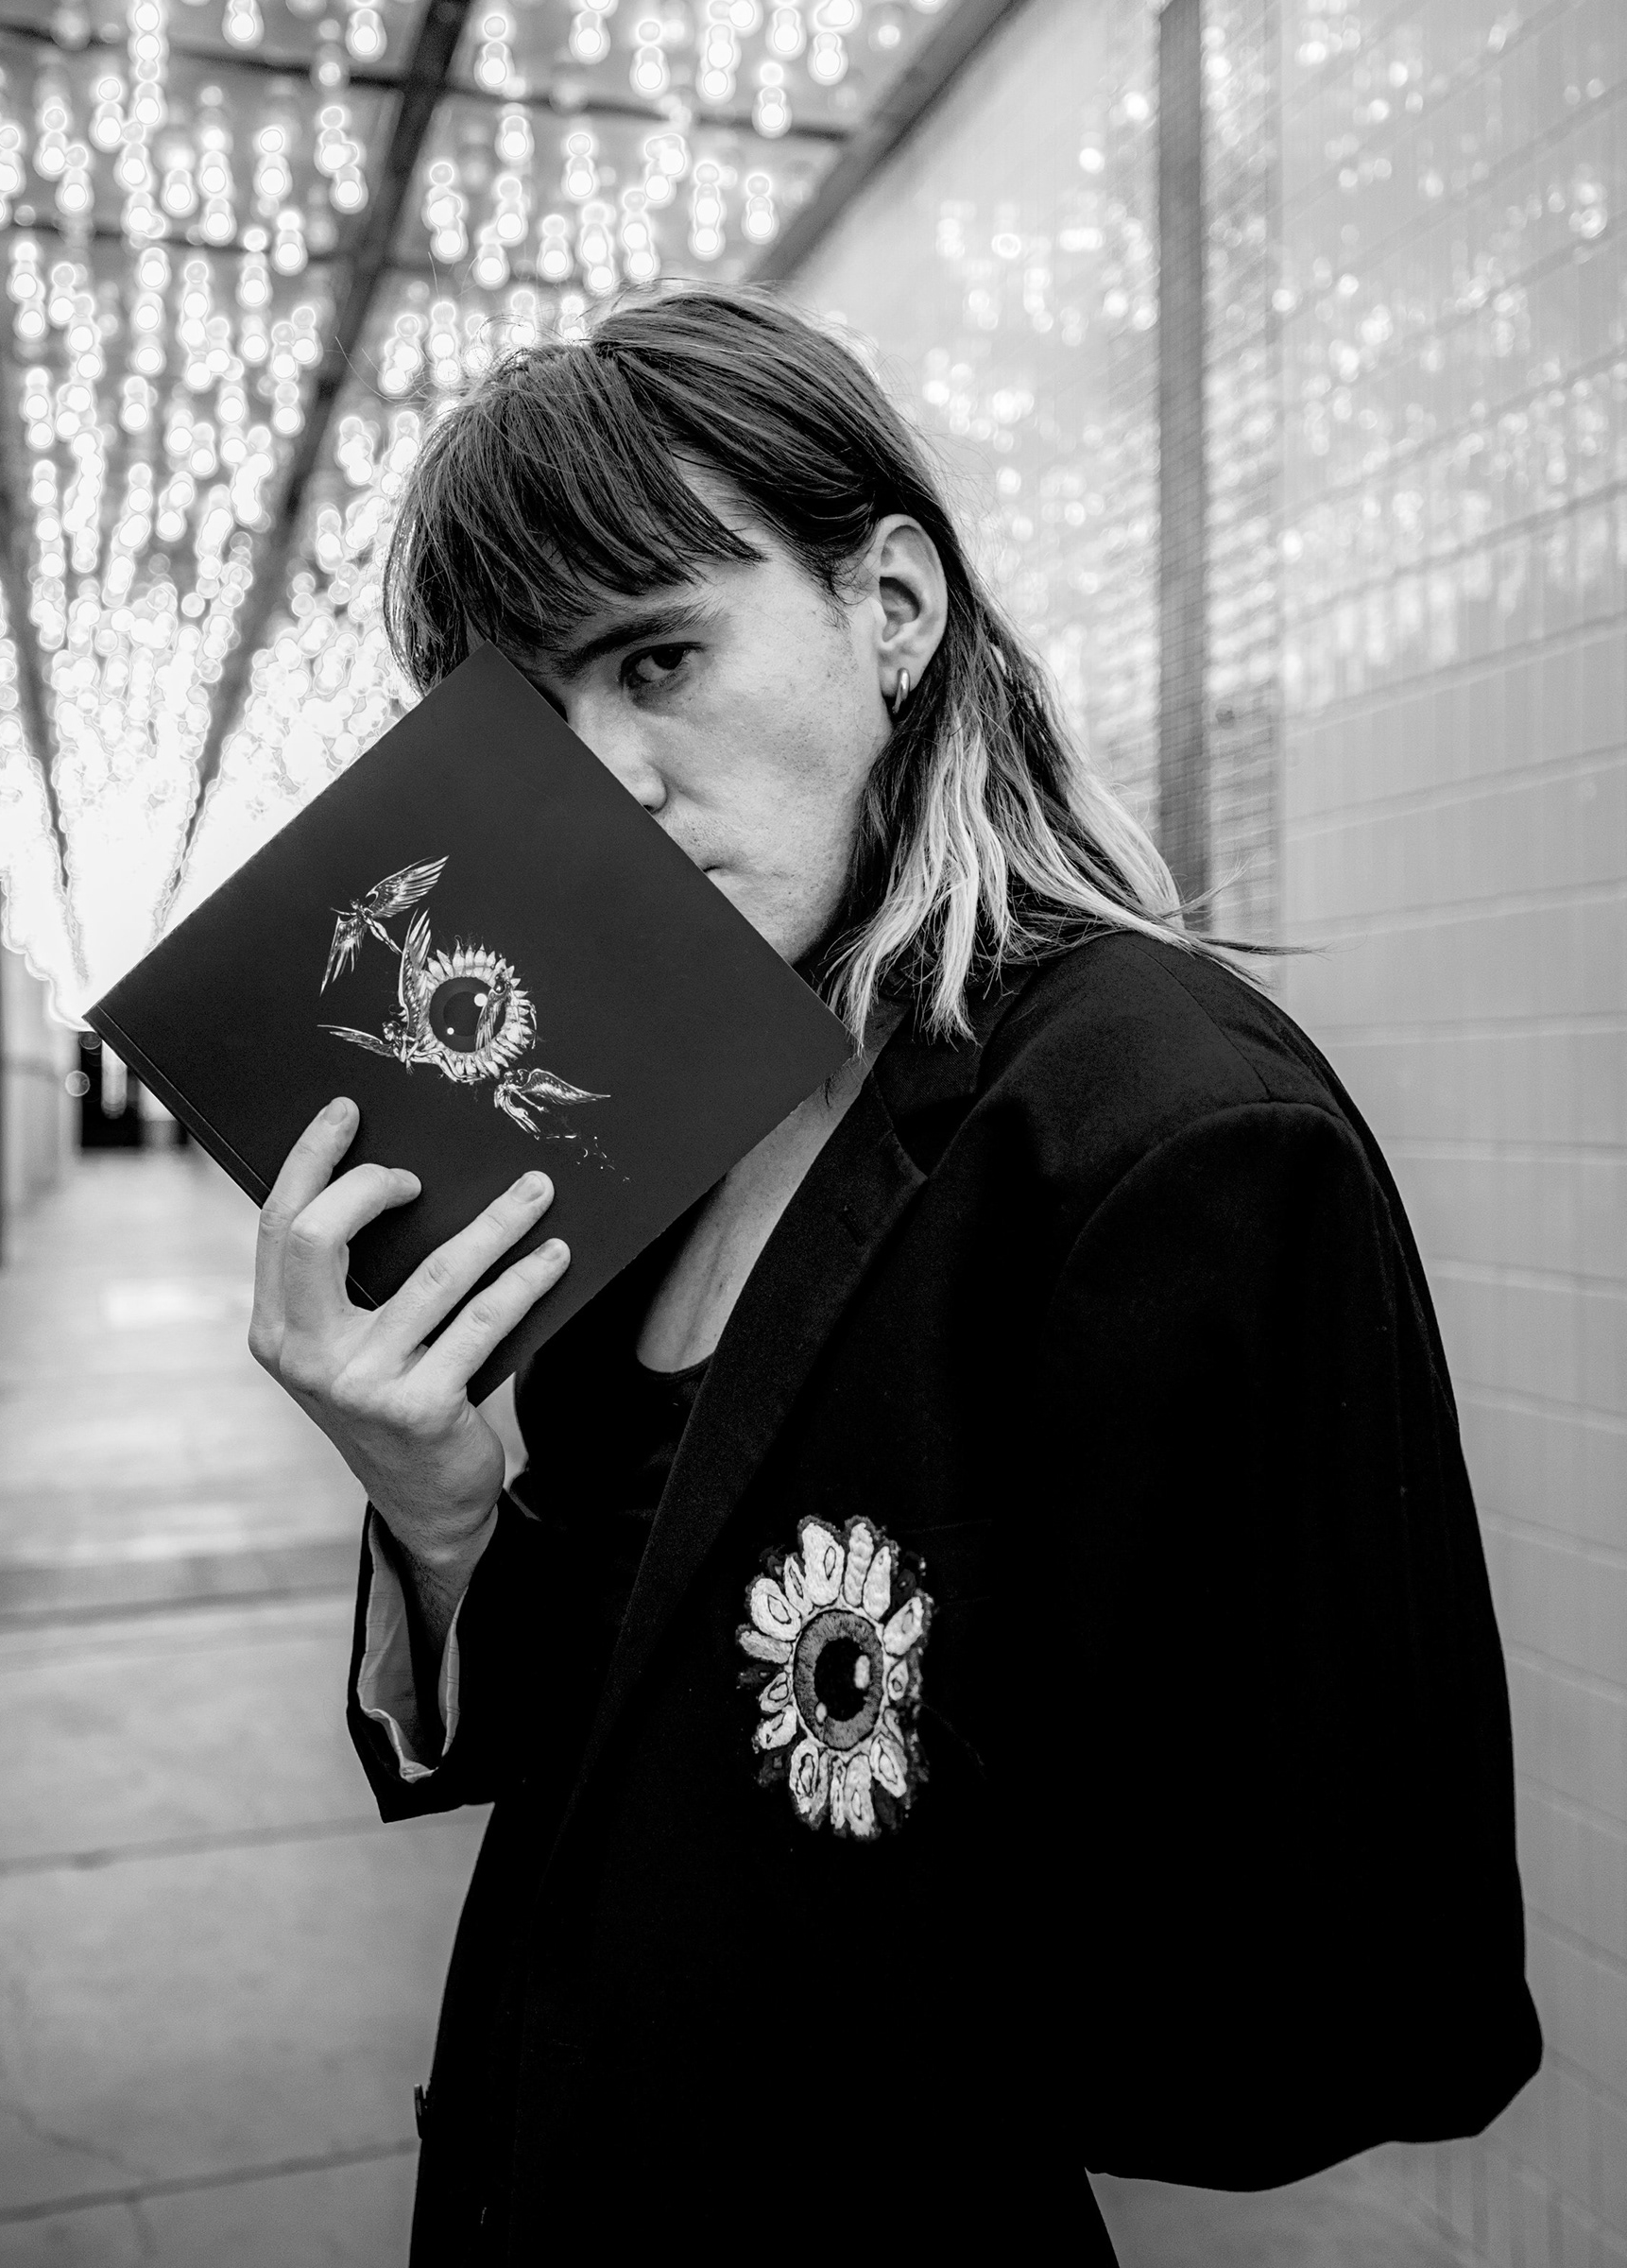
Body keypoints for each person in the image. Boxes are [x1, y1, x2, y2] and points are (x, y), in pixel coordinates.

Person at [247, 286, 1540, 2262]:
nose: (600, 782)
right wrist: (437, 1514)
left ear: (894, 610)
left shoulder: (1167, 1137)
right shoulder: (652, 1099)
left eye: (659, 654)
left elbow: (1344, 1983)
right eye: (529, 717)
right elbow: (593, 1726)